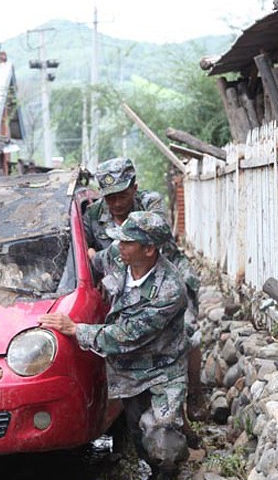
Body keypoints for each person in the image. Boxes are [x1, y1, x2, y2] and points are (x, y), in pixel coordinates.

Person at [39, 210, 190, 480]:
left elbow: (127, 335)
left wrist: (76, 329)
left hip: (162, 370)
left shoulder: (170, 290)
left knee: (164, 437)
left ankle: (168, 476)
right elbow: (93, 263)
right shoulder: (118, 256)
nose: (119, 246)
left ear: (148, 249)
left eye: (127, 242)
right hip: (127, 371)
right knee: (137, 432)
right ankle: (151, 468)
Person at [83, 157, 206, 422]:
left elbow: (153, 241)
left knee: (187, 334)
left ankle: (193, 393)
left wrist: (101, 257)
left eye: (121, 196)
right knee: (132, 334)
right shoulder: (93, 214)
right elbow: (84, 250)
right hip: (126, 280)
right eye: (109, 197)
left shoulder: (151, 204)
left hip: (166, 273)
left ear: (134, 188)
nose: (115, 204)